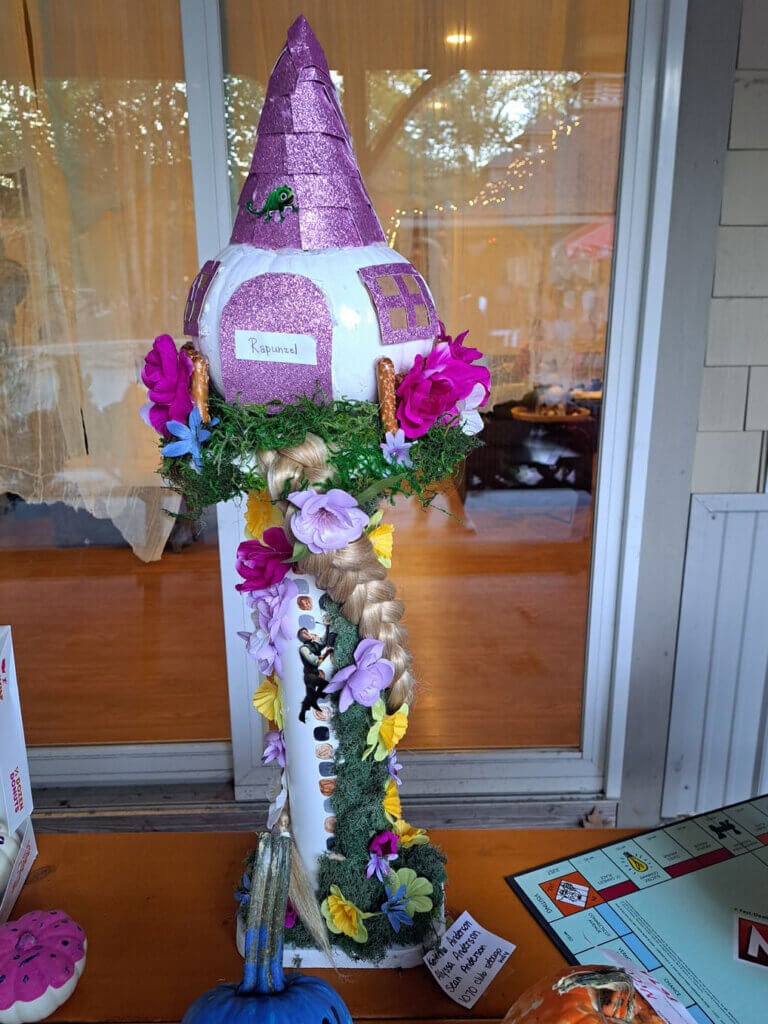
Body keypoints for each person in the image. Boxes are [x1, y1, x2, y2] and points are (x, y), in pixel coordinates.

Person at [297, 626, 334, 723]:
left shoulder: (313, 645)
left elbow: (323, 642)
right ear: (302, 638)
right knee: (325, 686)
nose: (308, 633)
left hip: (315, 673)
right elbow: (316, 662)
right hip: (309, 675)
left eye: (307, 631)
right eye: (305, 633)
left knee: (310, 695)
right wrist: (327, 653)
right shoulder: (303, 649)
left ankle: (302, 714)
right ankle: (312, 705)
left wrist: (327, 627)